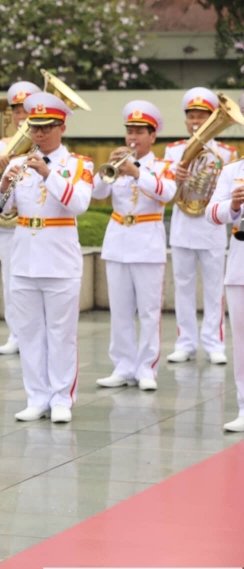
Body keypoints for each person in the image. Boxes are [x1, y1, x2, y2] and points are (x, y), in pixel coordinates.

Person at [0, 92, 94, 424]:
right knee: (30, 332)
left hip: (60, 259)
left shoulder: (79, 164)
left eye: (47, 127)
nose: (39, 134)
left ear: (61, 127)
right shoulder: (19, 163)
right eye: (35, 127)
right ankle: (36, 397)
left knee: (61, 333)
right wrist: (4, 184)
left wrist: (48, 173)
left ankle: (62, 398)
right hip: (24, 256)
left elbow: (78, 204)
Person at [93, 101, 176, 392]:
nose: (133, 136)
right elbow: (97, 191)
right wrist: (112, 168)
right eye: (130, 130)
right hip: (117, 240)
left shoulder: (163, 166)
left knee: (149, 311)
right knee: (120, 309)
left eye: (140, 131)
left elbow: (166, 192)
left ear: (153, 137)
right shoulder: (116, 160)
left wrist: (136, 171)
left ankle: (146, 368)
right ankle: (123, 365)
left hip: (147, 242)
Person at [165, 87, 238, 365]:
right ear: (186, 120)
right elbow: (165, 195)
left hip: (211, 230)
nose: (195, 121)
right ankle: (185, 342)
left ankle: (214, 342)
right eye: (191, 116)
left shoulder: (227, 153)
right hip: (183, 225)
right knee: (182, 287)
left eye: (202, 117)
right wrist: (178, 177)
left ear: (211, 119)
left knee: (213, 288)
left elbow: (231, 193)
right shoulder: (173, 151)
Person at [0, 81, 42, 356]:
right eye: (18, 111)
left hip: (42, 225)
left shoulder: (44, 146)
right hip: (10, 224)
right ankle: (16, 333)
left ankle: (35, 332)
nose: (23, 116)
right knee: (12, 280)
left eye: (27, 110)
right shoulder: (1, 145)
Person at [205, 92, 244, 431]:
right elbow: (210, 213)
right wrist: (232, 206)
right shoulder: (233, 171)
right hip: (240, 266)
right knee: (242, 342)